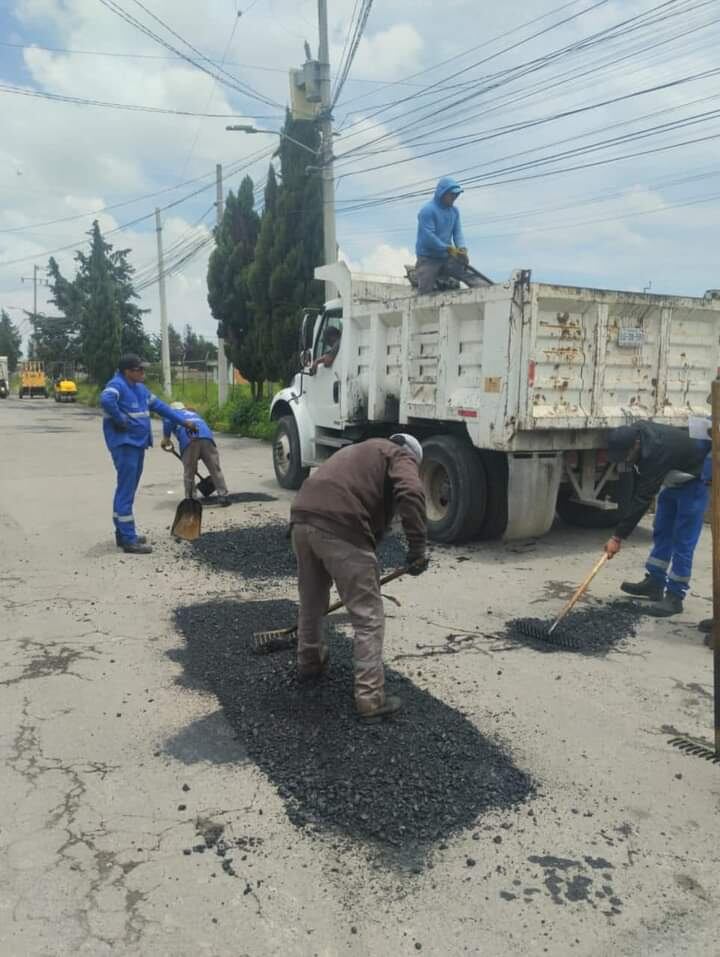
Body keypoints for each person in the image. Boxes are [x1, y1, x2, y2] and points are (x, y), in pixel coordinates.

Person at [290, 434, 428, 719]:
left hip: (301, 519)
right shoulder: (399, 456)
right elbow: (411, 492)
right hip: (340, 523)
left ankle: (309, 662)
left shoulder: (361, 451)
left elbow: (374, 519)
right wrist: (417, 548)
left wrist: (363, 569)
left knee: (311, 601)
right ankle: (370, 698)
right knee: (368, 617)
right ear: (412, 457)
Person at [603, 421, 711, 617]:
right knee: (662, 530)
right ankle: (655, 582)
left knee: (682, 539)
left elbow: (642, 498)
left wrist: (617, 537)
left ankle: (675, 596)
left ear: (635, 445)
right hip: (673, 480)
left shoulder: (656, 452)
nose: (624, 461)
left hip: (694, 481)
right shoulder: (635, 436)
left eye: (625, 456)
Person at [100, 354, 198, 554]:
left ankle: (124, 533)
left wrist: (183, 421)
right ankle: (128, 539)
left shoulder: (140, 389)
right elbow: (106, 399)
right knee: (126, 490)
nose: (144, 373)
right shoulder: (118, 384)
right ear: (128, 371)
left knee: (128, 488)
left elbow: (161, 407)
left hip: (137, 444)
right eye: (140, 369)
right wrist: (120, 419)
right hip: (125, 444)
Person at [414, 176, 489, 295]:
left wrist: (462, 248)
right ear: (442, 193)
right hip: (428, 258)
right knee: (424, 292)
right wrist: (447, 248)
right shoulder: (428, 211)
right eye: (451, 194)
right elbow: (428, 237)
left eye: (456, 195)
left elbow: (457, 232)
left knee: (467, 273)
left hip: (446, 256)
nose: (454, 197)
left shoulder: (454, 211)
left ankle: (487, 291)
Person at [161, 402, 230, 506]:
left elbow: (167, 420)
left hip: (189, 440)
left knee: (189, 472)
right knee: (215, 469)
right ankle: (223, 496)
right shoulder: (193, 413)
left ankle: (191, 500)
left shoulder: (172, 413)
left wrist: (166, 438)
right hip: (207, 438)